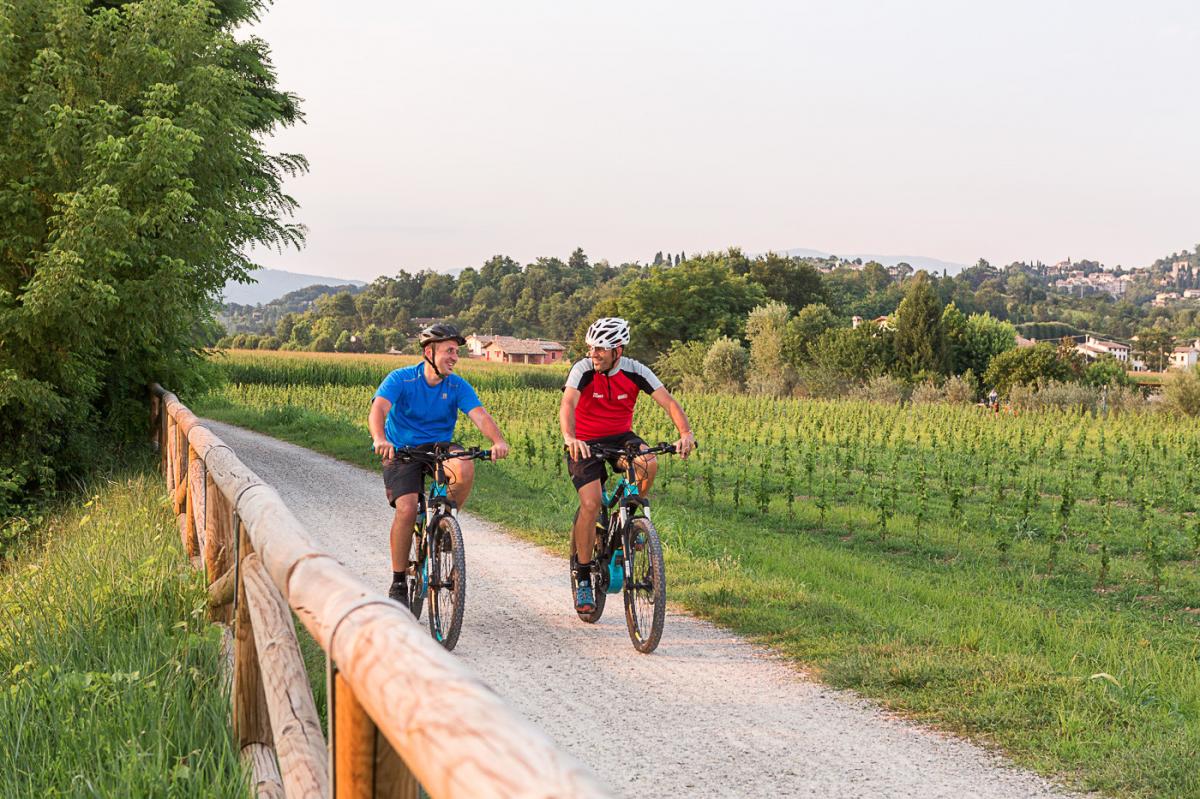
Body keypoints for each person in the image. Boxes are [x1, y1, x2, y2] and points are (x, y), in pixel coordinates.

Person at [559, 317, 695, 614]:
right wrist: (570, 437)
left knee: (649, 462)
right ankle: (583, 576)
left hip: (621, 438)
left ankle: (627, 528)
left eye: (601, 350)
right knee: (591, 503)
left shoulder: (636, 371)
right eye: (592, 348)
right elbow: (568, 404)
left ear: (617, 351)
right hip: (585, 441)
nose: (593, 354)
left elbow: (669, 402)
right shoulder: (582, 369)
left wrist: (686, 433)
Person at [368, 323, 510, 603]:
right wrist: (379, 438)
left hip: (438, 448)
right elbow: (379, 408)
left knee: (465, 464)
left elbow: (479, 415)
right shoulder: (402, 379)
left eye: (456, 352)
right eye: (449, 351)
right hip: (401, 450)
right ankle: (398, 581)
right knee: (407, 509)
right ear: (429, 352)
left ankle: (446, 524)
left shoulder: (457, 385)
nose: (455, 357)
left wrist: (498, 441)